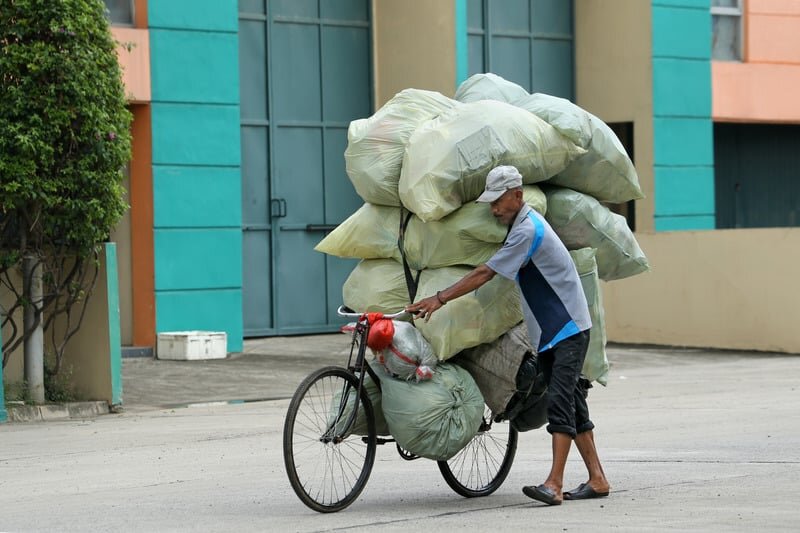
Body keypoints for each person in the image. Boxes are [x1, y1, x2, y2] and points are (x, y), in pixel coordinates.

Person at [406, 165, 610, 506]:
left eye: (498, 202)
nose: (494, 209)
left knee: (560, 403)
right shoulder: (518, 226)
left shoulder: (528, 229)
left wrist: (439, 298)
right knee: (574, 404)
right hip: (550, 332)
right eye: (491, 203)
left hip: (568, 329)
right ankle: (598, 479)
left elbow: (487, 272)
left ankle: (554, 484)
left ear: (517, 195)